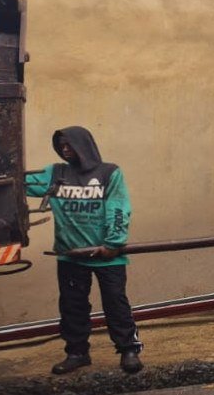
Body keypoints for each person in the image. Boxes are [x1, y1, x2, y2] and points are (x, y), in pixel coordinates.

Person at [31, 128, 139, 374]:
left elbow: (119, 206)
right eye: (61, 146)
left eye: (69, 145)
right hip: (71, 255)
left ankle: (128, 350)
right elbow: (19, 180)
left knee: (116, 304)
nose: (65, 150)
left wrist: (113, 243)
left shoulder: (109, 172)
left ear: (84, 144)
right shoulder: (56, 173)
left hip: (107, 256)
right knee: (72, 306)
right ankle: (77, 353)